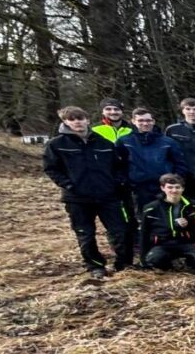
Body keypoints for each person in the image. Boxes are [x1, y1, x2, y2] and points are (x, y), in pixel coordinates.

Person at [43, 106, 132, 279]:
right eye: (72, 119)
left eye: (80, 118)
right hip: (77, 198)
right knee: (85, 233)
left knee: (120, 230)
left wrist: (116, 182)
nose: (77, 122)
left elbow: (119, 166)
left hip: (107, 195)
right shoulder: (57, 144)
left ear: (87, 120)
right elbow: (51, 168)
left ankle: (124, 263)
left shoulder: (103, 143)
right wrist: (68, 185)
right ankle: (95, 265)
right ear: (65, 122)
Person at [121, 108, 189, 216]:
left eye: (148, 120)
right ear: (133, 121)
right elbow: (119, 164)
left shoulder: (167, 141)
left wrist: (174, 181)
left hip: (164, 187)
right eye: (141, 120)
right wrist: (128, 182)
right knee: (145, 218)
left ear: (153, 121)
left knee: (167, 216)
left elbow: (180, 163)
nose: (145, 123)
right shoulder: (124, 141)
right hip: (139, 188)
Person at [139, 173, 195, 270]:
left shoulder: (194, 206)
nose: (174, 191)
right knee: (154, 260)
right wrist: (143, 259)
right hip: (162, 244)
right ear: (163, 188)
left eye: (177, 187)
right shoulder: (151, 208)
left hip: (187, 242)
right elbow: (144, 233)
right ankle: (169, 264)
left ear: (183, 188)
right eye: (170, 187)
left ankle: (188, 263)